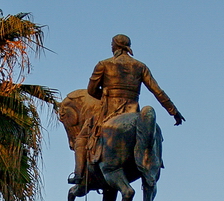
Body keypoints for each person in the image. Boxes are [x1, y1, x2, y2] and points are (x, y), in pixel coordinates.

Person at [68, 34, 185, 185]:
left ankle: (78, 175)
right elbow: (157, 91)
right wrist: (173, 111)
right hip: (133, 111)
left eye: (112, 44)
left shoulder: (103, 64)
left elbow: (91, 90)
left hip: (109, 112)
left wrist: (103, 96)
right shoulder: (140, 66)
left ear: (115, 46)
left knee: (81, 140)